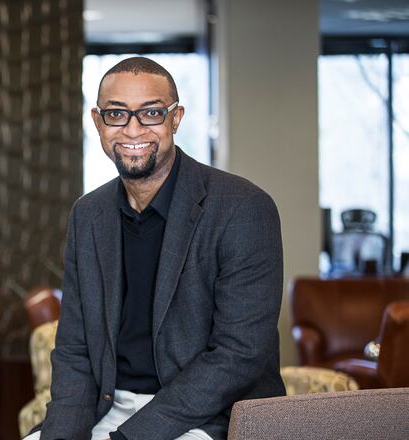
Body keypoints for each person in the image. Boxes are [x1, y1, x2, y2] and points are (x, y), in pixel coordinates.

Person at [25, 57, 285, 440]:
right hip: (107, 409)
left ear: (175, 118)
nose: (133, 129)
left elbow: (239, 354)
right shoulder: (88, 214)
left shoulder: (243, 208)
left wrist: (131, 436)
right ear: (98, 122)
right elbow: (75, 350)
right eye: (116, 114)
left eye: (151, 113)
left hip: (208, 416)